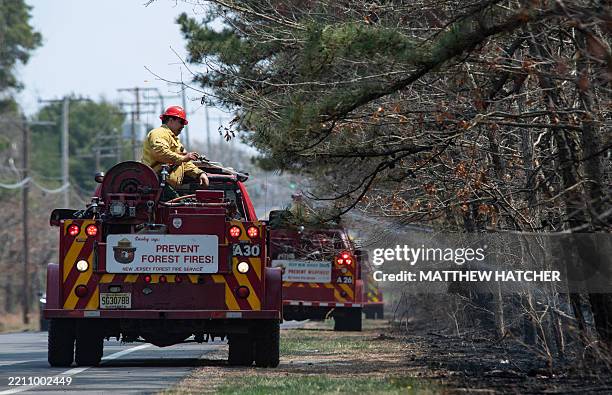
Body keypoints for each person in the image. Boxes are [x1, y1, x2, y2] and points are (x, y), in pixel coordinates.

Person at [142, 106, 209, 197]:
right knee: (181, 207)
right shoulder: (159, 133)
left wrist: (199, 173)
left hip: (164, 184)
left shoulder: (175, 141)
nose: (183, 126)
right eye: (181, 122)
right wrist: (183, 158)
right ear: (170, 120)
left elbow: (184, 163)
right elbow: (160, 152)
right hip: (156, 183)